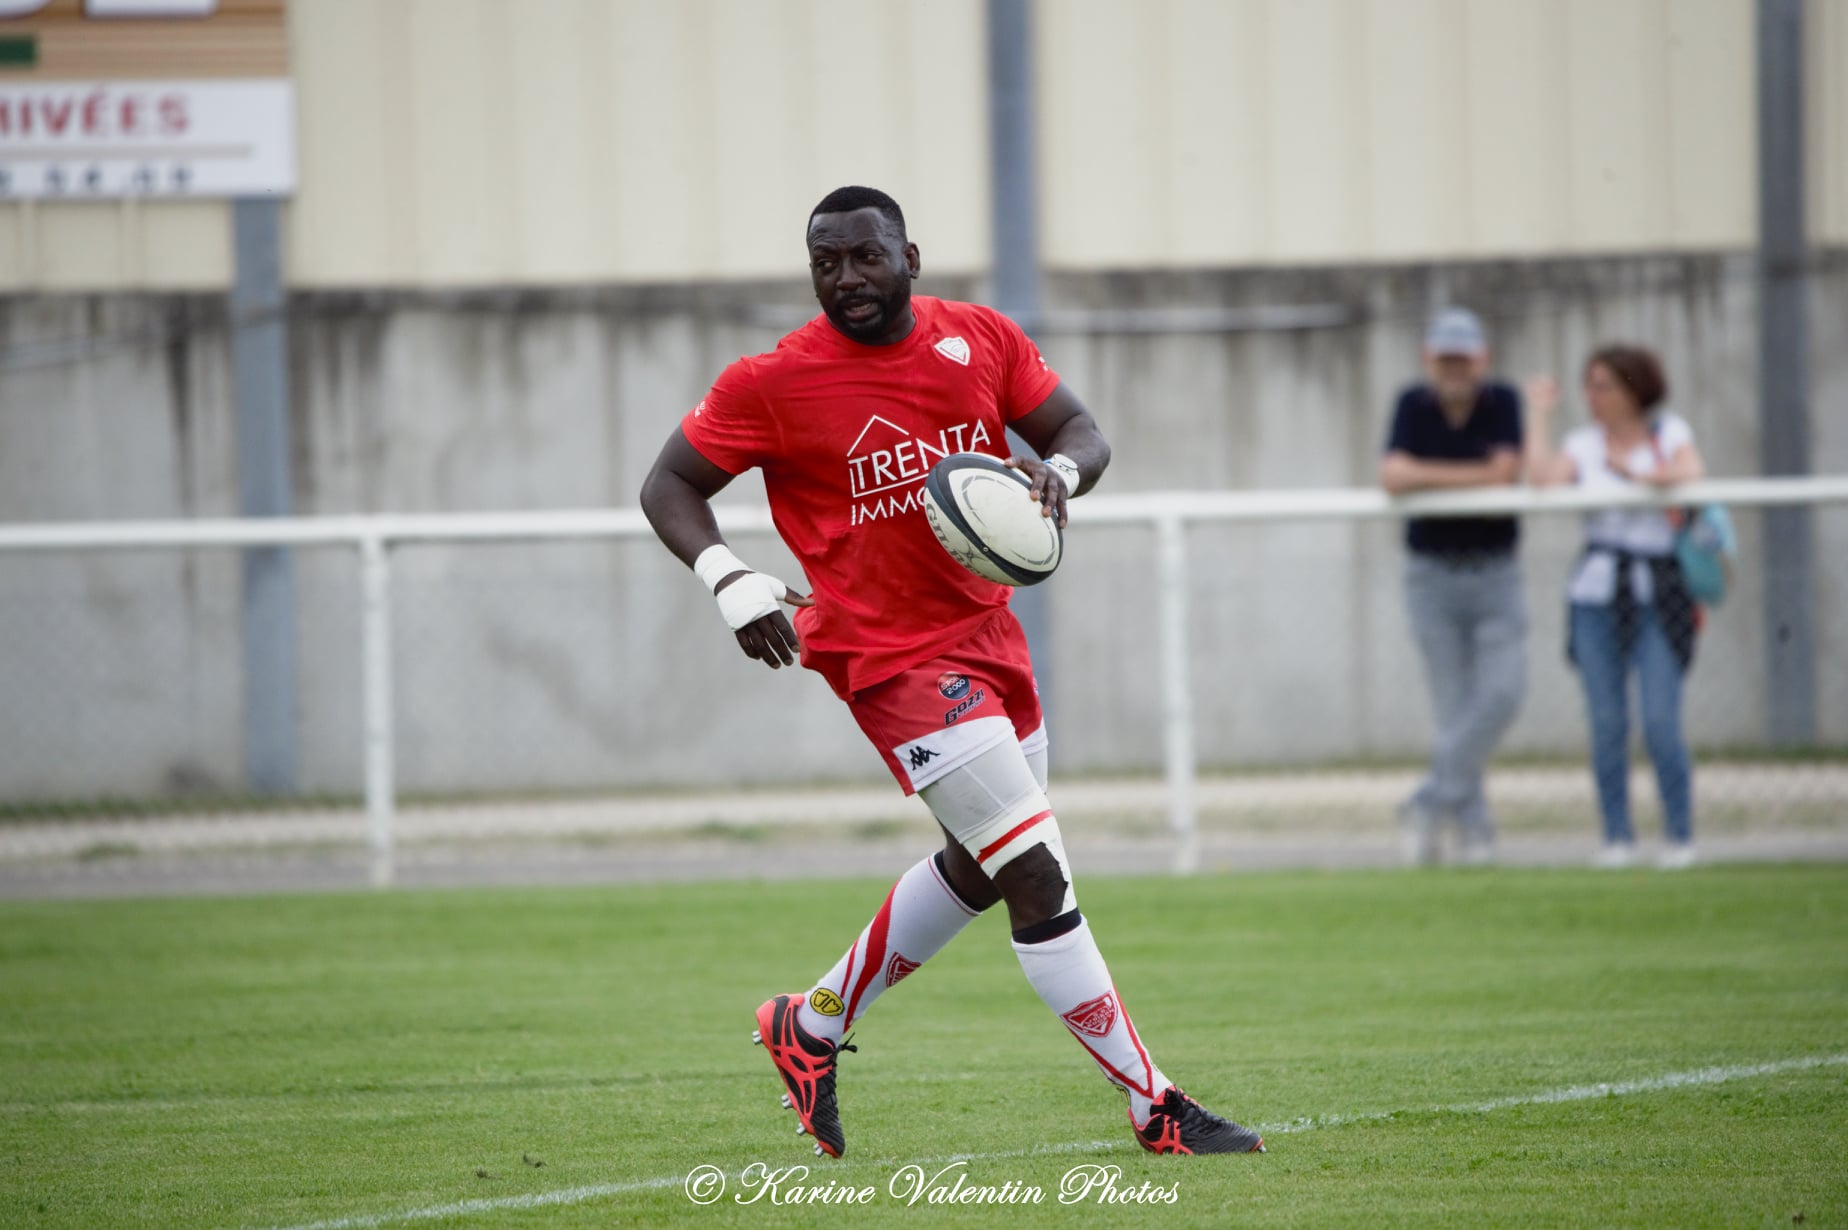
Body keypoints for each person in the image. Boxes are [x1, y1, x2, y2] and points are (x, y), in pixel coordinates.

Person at [639, 186, 1264, 1158]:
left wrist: (1061, 473)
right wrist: (727, 578)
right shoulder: (773, 381)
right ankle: (1155, 1105)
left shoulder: (981, 338)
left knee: (980, 865)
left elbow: (1082, 432)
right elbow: (668, 482)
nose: (846, 278)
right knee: (1035, 870)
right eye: (826, 263)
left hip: (988, 637)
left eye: (866, 257)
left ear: (911, 258)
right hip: (887, 659)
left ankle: (809, 1026)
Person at [1524, 345, 1705, 870]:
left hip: (1657, 592)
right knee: (1606, 723)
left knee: (1660, 721)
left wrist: (1636, 473)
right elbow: (1543, 479)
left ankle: (1679, 836)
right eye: (1589, 386)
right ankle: (1617, 836)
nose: (1594, 396)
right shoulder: (1583, 444)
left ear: (1633, 389)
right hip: (1597, 593)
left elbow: (1691, 473)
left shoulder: (1667, 434)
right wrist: (1539, 415)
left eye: (1604, 385)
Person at [1379, 308, 1528, 866]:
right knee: (1452, 711)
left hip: (1495, 573)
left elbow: (1506, 473)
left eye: (1463, 359)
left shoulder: (1503, 402)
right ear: (1428, 359)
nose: (1454, 369)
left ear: (1482, 359)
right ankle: (1474, 830)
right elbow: (1394, 476)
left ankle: (1426, 802)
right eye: (1445, 359)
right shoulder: (1412, 405)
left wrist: (1430, 474)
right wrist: (1474, 476)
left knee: (1501, 694)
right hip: (1433, 576)